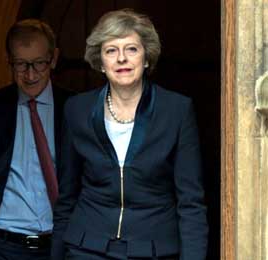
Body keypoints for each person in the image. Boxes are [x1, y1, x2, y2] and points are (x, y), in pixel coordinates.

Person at [52, 9, 208, 260]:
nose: (121, 59)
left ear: (146, 58)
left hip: (154, 249)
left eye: (132, 49)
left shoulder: (177, 110)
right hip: (86, 248)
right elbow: (67, 196)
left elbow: (191, 202)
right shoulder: (77, 109)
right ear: (100, 62)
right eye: (111, 50)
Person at [0, 19, 73, 260]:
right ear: (9, 62)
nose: (30, 74)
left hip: (60, 246)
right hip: (0, 246)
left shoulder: (75, 109)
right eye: (21, 64)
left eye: (39, 63)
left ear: (53, 59)